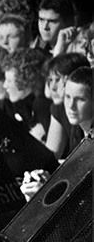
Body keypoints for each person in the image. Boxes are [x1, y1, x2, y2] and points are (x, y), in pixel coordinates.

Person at [21, 65, 92, 200]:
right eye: (68, 97)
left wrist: (49, 188)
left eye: (80, 99)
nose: (71, 106)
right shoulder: (78, 130)